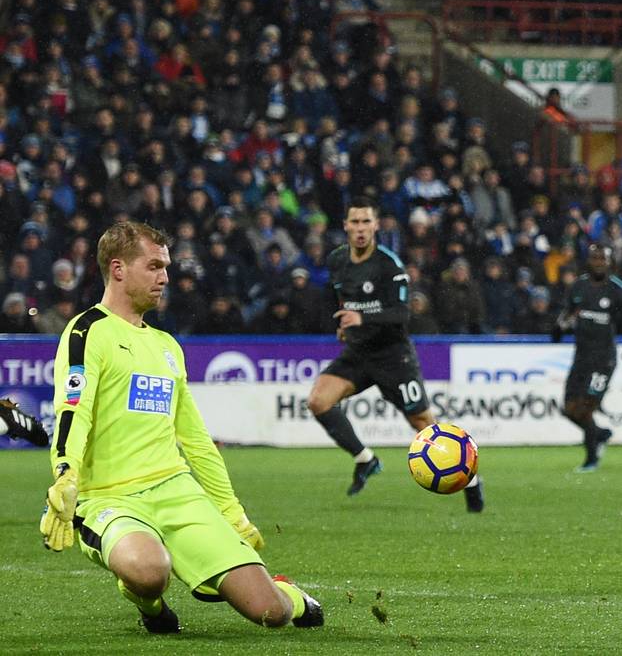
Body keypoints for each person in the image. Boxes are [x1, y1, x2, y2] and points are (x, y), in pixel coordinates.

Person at [38, 221, 322, 633]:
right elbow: (72, 411)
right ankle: (149, 604)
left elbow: (196, 440)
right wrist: (66, 473)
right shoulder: (87, 332)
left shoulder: (167, 346)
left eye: (165, 267)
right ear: (118, 269)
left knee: (270, 613)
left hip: (176, 491)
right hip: (110, 498)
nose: (165, 277)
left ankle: (291, 596)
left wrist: (231, 511)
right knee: (150, 570)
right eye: (154, 266)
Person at [306, 197, 484, 511]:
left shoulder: (389, 265)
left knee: (424, 425)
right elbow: (342, 296)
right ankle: (366, 459)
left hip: (393, 356)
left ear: (375, 226)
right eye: (355, 222)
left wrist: (363, 318)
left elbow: (402, 314)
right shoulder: (337, 260)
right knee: (318, 400)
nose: (360, 228)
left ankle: (470, 479)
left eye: (366, 222)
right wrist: (346, 324)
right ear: (346, 226)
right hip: (359, 352)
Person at [552, 243, 622, 472]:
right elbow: (567, 313)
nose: (598, 263)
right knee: (568, 409)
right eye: (595, 258)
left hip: (603, 360)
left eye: (602, 258)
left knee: (585, 409)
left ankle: (591, 458)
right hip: (580, 358)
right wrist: (559, 326)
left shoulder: (618, 289)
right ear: (588, 260)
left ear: (609, 261)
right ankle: (601, 434)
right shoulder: (578, 286)